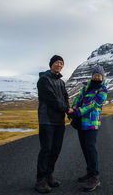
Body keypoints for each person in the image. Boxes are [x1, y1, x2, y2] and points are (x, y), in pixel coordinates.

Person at [35, 55, 74, 193]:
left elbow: (65, 98)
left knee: (55, 150)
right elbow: (51, 99)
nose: (59, 65)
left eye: (61, 63)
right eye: (57, 62)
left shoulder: (61, 82)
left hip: (59, 121)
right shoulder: (44, 80)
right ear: (51, 64)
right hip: (47, 120)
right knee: (46, 150)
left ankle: (49, 175)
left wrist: (69, 112)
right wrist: (66, 109)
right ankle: (41, 180)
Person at [70, 65, 108, 192]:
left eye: (99, 75)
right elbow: (78, 99)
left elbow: (93, 104)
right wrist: (73, 109)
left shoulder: (103, 90)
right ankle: (89, 172)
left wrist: (78, 112)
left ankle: (95, 176)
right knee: (85, 147)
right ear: (92, 76)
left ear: (102, 77)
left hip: (91, 123)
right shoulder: (85, 86)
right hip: (81, 122)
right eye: (95, 74)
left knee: (91, 148)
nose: (96, 76)